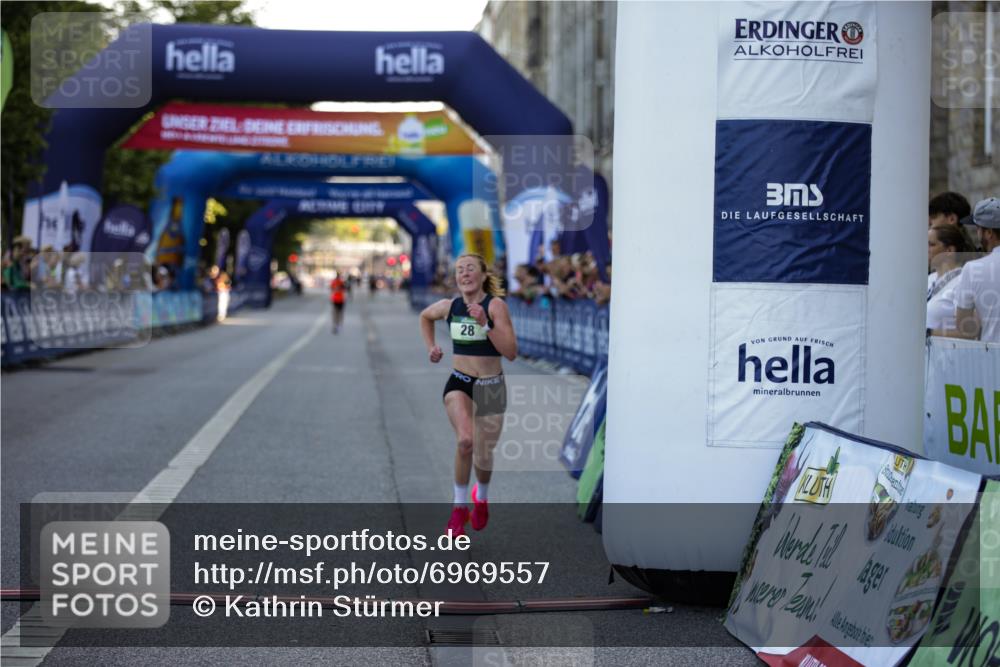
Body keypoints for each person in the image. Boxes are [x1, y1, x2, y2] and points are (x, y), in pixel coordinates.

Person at [419, 254, 518, 537]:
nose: (464, 273)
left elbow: (511, 352)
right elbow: (425, 316)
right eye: (459, 270)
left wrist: (486, 324)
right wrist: (431, 347)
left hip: (491, 385)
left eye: (470, 268)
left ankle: (481, 498)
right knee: (465, 442)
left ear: (483, 275)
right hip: (460, 382)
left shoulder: (495, 306)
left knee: (483, 453)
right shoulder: (450, 306)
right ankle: (459, 508)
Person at [951, 197, 1000, 342]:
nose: (977, 234)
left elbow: (964, 327)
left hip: (993, 353)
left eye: (978, 229)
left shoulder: (973, 269)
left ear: (989, 233)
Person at [926, 224, 971, 335]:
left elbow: (968, 331)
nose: (925, 249)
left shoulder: (963, 281)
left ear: (949, 250)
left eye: (931, 245)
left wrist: (927, 333)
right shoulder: (929, 278)